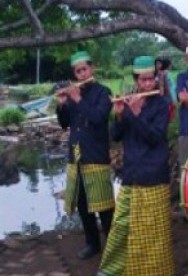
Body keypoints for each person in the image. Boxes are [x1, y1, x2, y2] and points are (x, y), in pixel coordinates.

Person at [98, 56, 175, 275]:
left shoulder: (162, 104)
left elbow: (155, 137)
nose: (148, 84)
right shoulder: (129, 101)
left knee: (152, 231)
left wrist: (137, 113)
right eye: (143, 80)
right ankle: (113, 269)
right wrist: (121, 114)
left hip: (153, 174)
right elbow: (115, 135)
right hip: (131, 172)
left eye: (151, 80)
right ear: (136, 80)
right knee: (121, 224)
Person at [56, 51, 114, 260]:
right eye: (77, 71)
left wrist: (77, 98)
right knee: (82, 204)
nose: (81, 74)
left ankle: (111, 245)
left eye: (84, 70)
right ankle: (92, 244)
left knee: (104, 206)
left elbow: (98, 118)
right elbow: (64, 124)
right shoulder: (72, 95)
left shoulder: (103, 92)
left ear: (92, 69)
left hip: (96, 156)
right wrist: (62, 104)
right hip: (76, 156)